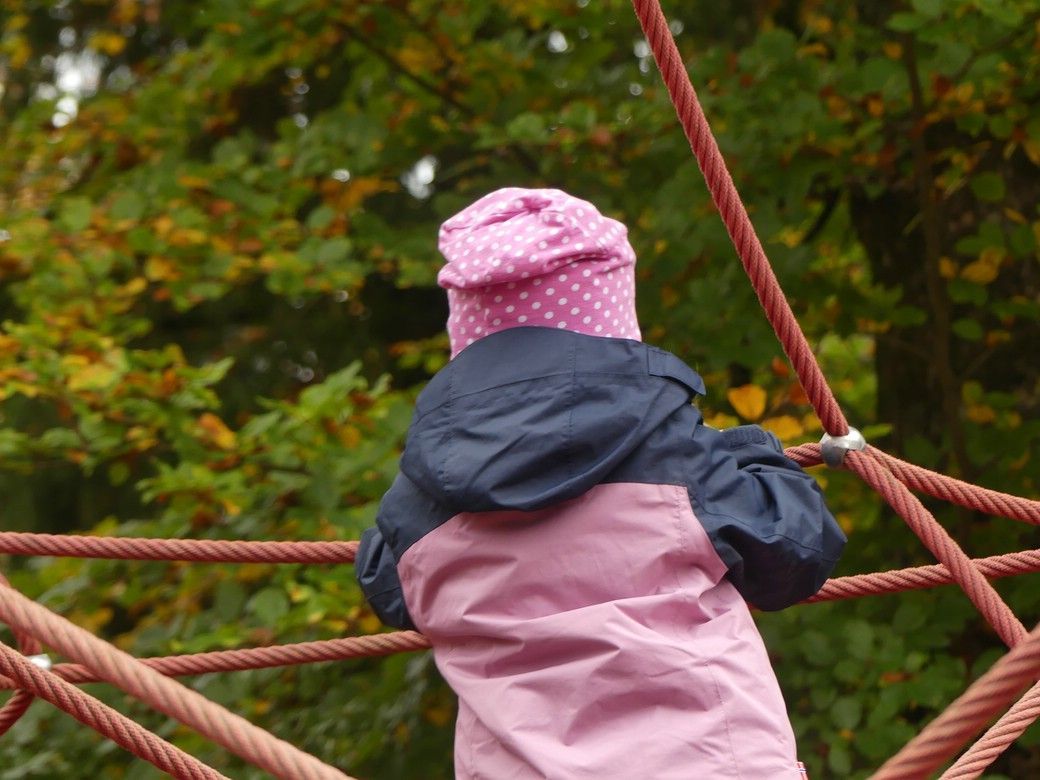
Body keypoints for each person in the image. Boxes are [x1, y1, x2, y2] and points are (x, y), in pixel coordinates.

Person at [356, 187, 845, 778]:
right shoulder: (675, 457)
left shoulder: (422, 503)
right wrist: (750, 451)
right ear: (616, 329)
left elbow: (387, 585)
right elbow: (795, 551)